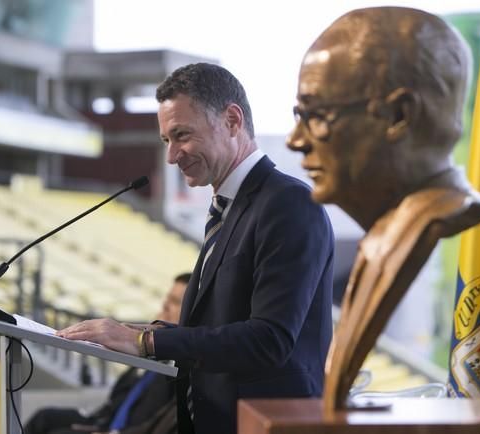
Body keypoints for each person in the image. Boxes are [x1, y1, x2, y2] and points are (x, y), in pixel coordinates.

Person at [58, 63, 334, 434]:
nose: (172, 156)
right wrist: (131, 331)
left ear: (232, 121)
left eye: (182, 135)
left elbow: (269, 339)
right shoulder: (227, 206)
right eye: (166, 141)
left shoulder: (288, 203)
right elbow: (222, 327)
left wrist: (146, 341)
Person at [286, 6, 480, 412]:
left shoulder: (430, 222)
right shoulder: (384, 235)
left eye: (317, 116)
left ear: (399, 116)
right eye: (298, 116)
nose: (296, 140)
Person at [24, 273, 191, 434]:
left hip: (127, 430)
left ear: (190, 312)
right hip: (104, 422)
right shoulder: (146, 348)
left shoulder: (183, 368)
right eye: (167, 299)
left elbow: (158, 423)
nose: (165, 306)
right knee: (44, 418)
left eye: (175, 302)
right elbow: (118, 398)